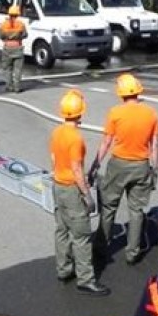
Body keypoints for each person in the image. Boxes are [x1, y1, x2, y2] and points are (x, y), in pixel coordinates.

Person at [90, 73, 158, 265]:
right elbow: (154, 145)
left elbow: (106, 141)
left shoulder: (115, 113)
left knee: (109, 206)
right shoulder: (151, 113)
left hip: (119, 165)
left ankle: (101, 248)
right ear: (138, 91)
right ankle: (133, 252)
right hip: (141, 165)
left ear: (121, 93)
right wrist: (154, 169)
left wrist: (95, 164)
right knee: (136, 210)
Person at [50, 89, 109, 296]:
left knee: (62, 229)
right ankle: (86, 279)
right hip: (71, 189)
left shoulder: (57, 132)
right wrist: (86, 194)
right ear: (80, 112)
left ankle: (64, 269)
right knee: (81, 235)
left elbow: (54, 159)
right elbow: (76, 169)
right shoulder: (75, 138)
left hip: (58, 185)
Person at [0, 4, 27, 93]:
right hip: (18, 47)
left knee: (8, 68)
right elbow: (25, 35)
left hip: (7, 47)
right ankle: (17, 87)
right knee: (18, 69)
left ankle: (9, 86)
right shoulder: (21, 24)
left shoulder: (3, 24)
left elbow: (1, 36)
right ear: (17, 14)